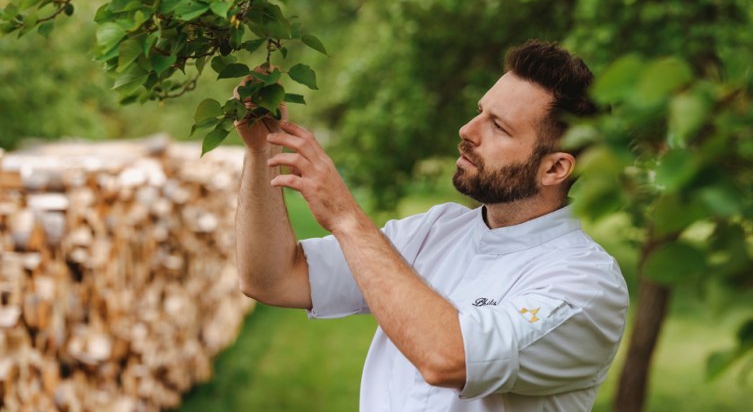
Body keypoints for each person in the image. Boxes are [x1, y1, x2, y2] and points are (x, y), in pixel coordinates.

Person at [234, 40, 629, 412]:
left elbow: (448, 358)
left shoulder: (587, 284)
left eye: (499, 126)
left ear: (555, 168)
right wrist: (260, 151)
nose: (467, 131)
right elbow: (272, 278)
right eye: (480, 111)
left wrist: (346, 218)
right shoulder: (435, 229)